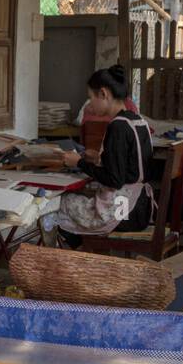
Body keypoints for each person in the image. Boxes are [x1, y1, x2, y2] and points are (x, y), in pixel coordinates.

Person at [56, 65, 155, 245]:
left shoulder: (117, 126)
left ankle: (76, 259)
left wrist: (78, 162)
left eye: (91, 98)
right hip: (142, 206)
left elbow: (114, 179)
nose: (90, 105)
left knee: (58, 204)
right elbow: (129, 167)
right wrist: (99, 158)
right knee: (80, 198)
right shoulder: (138, 121)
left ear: (103, 94)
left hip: (123, 212)